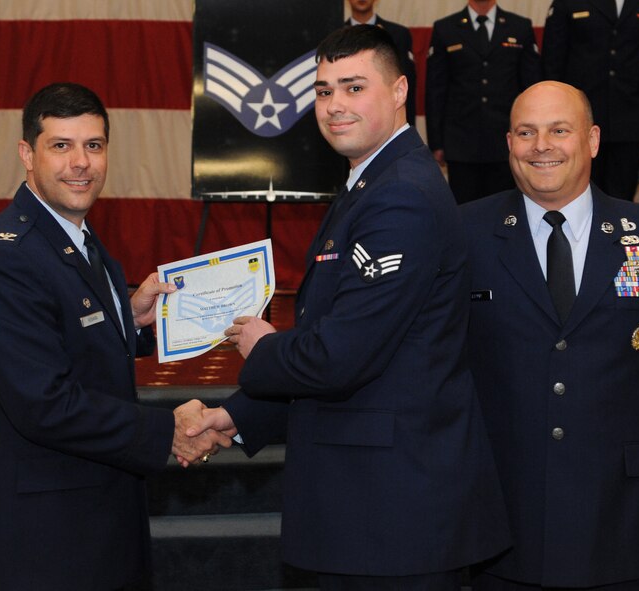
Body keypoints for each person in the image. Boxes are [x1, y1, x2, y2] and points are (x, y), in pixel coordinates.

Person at [188, 25, 511, 590]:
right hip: (375, 505)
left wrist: (263, 347)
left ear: (399, 91)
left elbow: (340, 355)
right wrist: (242, 416)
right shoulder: (375, 183)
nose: (334, 105)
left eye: (353, 87)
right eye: (322, 90)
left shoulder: (401, 195)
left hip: (394, 509)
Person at [0, 82, 231, 591]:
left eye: (93, 146)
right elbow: (44, 403)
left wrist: (131, 318)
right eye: (61, 146)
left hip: (91, 519)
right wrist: (164, 430)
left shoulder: (76, 236)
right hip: (39, 544)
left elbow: (70, 334)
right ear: (26, 155)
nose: (81, 162)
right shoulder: (7, 259)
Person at [462, 81, 639, 590]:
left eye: (560, 130)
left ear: (593, 140)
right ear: (508, 143)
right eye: (525, 132)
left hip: (626, 521)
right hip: (501, 522)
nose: (542, 145)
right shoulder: (464, 234)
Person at [542, 0, 639, 202]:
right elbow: (552, 63)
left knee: (622, 198)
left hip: (632, 118)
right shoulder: (566, 3)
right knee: (578, 193)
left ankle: (617, 235)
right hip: (580, 118)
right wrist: (552, 117)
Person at [426, 0, 541, 203]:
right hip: (461, 143)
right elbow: (435, 90)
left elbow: (531, 91)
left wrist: (531, 135)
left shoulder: (519, 26)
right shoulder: (445, 28)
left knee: (506, 208)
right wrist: (436, 142)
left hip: (507, 142)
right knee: (464, 212)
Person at [346, 0, 418, 125]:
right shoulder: (333, 33)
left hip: (386, 121)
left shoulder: (397, 34)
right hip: (347, 117)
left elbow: (407, 86)